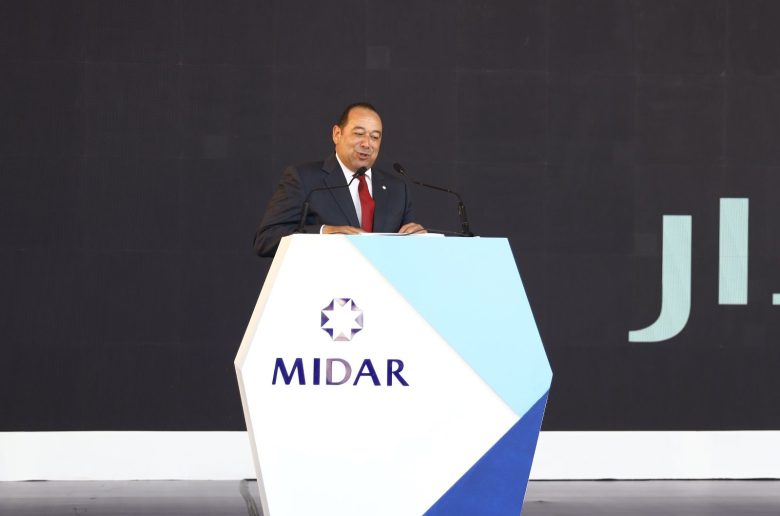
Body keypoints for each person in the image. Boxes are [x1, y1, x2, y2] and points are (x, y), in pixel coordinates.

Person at [253, 102, 425, 257]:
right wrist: (323, 233)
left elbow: (405, 254)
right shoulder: (304, 179)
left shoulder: (397, 189)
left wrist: (420, 242)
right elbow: (267, 239)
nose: (367, 144)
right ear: (337, 134)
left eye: (375, 137)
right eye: (359, 133)